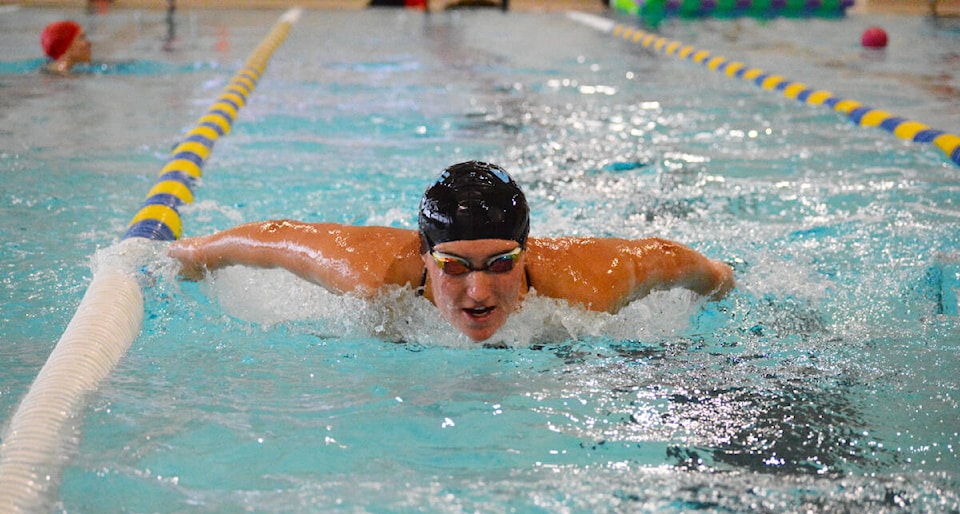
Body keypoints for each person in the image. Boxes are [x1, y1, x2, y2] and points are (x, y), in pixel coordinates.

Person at [168, 161, 735, 342]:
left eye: (502, 264)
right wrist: (185, 256)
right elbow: (270, 239)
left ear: (527, 249)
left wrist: (722, 285)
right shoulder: (370, 274)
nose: (479, 292)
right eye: (456, 267)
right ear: (423, 253)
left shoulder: (588, 286)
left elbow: (674, 260)